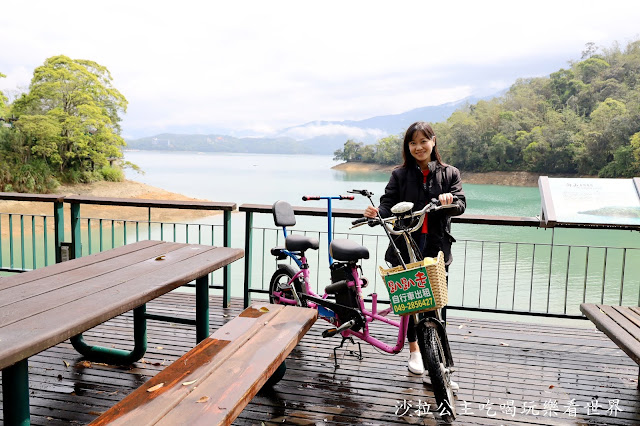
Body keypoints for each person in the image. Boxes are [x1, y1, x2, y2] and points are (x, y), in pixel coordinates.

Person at [363, 121, 466, 377]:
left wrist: (448, 201)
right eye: (412, 143)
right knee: (411, 301)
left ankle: (439, 359)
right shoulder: (400, 174)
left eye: (423, 141)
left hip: (436, 246)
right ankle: (414, 351)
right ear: (407, 146)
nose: (418, 147)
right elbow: (387, 204)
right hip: (404, 246)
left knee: (435, 303)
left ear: (433, 142)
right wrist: (377, 213)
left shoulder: (449, 173)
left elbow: (461, 204)